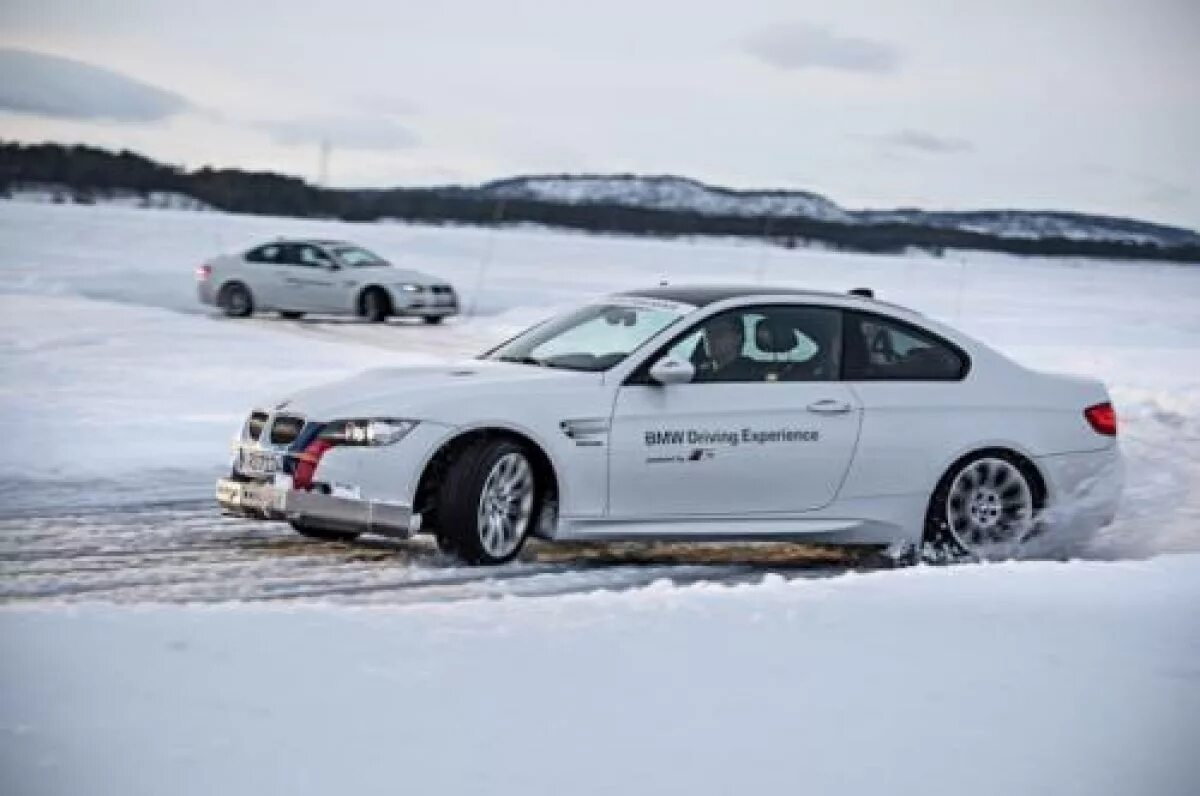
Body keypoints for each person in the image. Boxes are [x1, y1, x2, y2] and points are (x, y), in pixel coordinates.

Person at [695, 314, 760, 382]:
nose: (710, 337)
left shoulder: (749, 373)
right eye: (708, 332)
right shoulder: (700, 373)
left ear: (737, 338)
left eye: (719, 332)